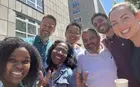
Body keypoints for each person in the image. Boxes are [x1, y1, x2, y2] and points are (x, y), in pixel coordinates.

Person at [91, 13, 140, 87]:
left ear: (108, 19)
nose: (99, 25)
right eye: (95, 25)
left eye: (100, 20)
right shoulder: (104, 44)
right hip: (124, 83)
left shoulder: (125, 33)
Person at [109, 2, 140, 84]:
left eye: (125, 18)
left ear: (138, 16)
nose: (121, 26)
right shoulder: (133, 50)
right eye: (114, 23)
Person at [65, 22, 84, 87]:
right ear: (65, 33)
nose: (73, 35)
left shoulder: (82, 52)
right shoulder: (58, 49)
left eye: (76, 33)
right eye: (70, 31)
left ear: (80, 36)